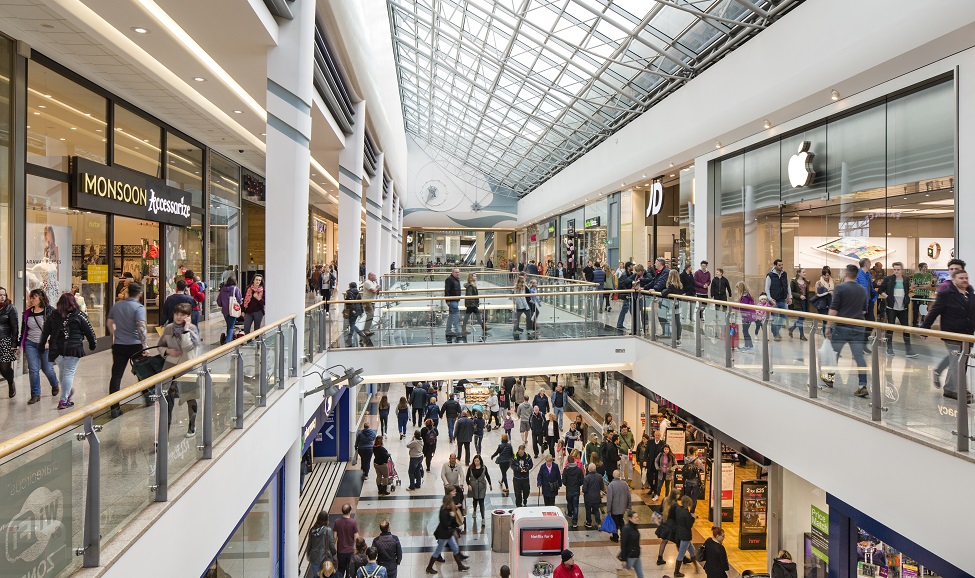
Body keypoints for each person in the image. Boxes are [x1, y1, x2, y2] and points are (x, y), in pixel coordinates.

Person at [922, 268, 975, 402]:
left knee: (960, 362)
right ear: (954, 280)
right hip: (952, 334)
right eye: (961, 278)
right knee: (956, 361)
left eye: (966, 278)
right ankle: (956, 389)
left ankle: (952, 387)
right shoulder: (946, 294)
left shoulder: (971, 294)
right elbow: (934, 311)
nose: (964, 280)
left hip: (967, 334)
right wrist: (925, 328)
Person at [39, 293, 96, 410]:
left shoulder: (52, 315)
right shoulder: (80, 315)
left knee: (63, 371)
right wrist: (92, 344)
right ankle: (63, 400)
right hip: (73, 348)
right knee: (68, 372)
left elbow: (45, 332)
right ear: (73, 303)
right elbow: (89, 331)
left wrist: (41, 345)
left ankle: (67, 393)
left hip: (57, 348)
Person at [157, 303, 203, 434]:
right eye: (176, 314)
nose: (178, 317)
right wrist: (167, 351)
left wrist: (186, 330)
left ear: (188, 316)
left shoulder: (192, 329)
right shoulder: (168, 328)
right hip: (170, 369)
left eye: (182, 314)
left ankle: (192, 426)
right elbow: (160, 345)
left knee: (190, 398)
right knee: (167, 401)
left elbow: (187, 347)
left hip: (187, 368)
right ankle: (164, 433)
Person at [826, 264, 870, 398]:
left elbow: (834, 309)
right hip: (858, 326)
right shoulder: (862, 290)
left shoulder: (840, 288)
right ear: (856, 275)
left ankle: (829, 379)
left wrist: (828, 325)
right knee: (859, 357)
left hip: (841, 327)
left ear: (846, 273)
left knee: (834, 353)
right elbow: (864, 309)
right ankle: (862, 385)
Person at [107, 282, 148, 417]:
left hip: (119, 345)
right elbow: (141, 326)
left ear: (127, 292)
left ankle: (114, 407)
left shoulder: (117, 305)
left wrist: (115, 334)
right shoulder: (139, 308)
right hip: (135, 345)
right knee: (141, 373)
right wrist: (145, 345)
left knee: (116, 376)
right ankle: (148, 398)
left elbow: (109, 322)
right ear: (140, 293)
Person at [20, 289, 59, 405]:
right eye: (31, 298)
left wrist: (50, 342)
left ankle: (55, 383)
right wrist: (19, 343)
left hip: (45, 344)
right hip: (30, 343)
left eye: (34, 297)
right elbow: (24, 330)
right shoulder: (27, 313)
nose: (31, 300)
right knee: (33, 370)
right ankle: (35, 394)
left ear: (41, 298)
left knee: (47, 369)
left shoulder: (50, 311)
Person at [879, 262, 916, 357]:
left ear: (902, 270)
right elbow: (880, 290)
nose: (896, 271)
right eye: (894, 269)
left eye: (898, 269)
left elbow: (907, 291)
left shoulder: (906, 279)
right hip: (891, 307)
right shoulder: (889, 279)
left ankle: (909, 350)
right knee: (891, 327)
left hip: (903, 307)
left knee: (905, 327)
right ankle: (889, 348)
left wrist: (906, 298)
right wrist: (887, 297)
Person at [425, 494, 470, 574]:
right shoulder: (444, 511)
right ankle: (429, 567)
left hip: (448, 534)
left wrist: (457, 525)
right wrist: (452, 516)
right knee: (438, 551)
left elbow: (451, 523)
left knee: (455, 549)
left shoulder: (447, 509)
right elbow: (446, 524)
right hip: (444, 535)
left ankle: (460, 566)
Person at [856, 258, 880, 351]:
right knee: (860, 325)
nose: (871, 265)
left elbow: (870, 289)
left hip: (869, 303)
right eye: (870, 263)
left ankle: (863, 343)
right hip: (860, 305)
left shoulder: (868, 275)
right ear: (867, 264)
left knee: (870, 323)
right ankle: (858, 347)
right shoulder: (858, 275)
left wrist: (873, 299)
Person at [674, 495, 700, 577]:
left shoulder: (678, 509)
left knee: (692, 550)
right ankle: (676, 572)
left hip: (679, 533)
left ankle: (696, 567)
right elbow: (689, 526)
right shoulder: (687, 514)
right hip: (686, 536)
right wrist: (693, 518)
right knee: (681, 554)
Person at [765, 259, 791, 340]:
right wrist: (770, 299)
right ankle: (776, 335)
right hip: (774, 301)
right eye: (779, 265)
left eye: (782, 265)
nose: (781, 266)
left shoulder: (784, 274)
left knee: (784, 316)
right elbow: (767, 289)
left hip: (782, 300)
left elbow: (788, 286)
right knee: (775, 318)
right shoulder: (770, 275)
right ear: (775, 265)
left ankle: (775, 330)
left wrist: (790, 296)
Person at [0, 287, 19, 399]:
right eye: (0, 295)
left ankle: (11, 382)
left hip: (5, 341)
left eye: (4, 295)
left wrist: (14, 344)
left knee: (4, 368)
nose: (2, 297)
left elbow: (15, 327)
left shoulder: (10, 308)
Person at [305, 512, 337, 578]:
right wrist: (334, 554)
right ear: (326, 519)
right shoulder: (328, 530)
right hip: (325, 558)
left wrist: (308, 555)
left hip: (314, 558)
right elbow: (331, 545)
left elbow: (309, 544)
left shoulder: (312, 530)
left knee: (316, 576)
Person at [334, 504, 361, 578]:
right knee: (350, 570)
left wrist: (334, 548)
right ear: (349, 511)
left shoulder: (337, 521)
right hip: (350, 551)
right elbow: (356, 537)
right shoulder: (353, 522)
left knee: (340, 570)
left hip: (340, 551)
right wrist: (357, 549)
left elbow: (335, 537)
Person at [655, 490, 681, 565]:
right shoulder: (675, 505)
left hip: (664, 523)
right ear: (675, 496)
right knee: (677, 541)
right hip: (671, 526)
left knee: (664, 541)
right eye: (678, 494)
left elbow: (660, 510)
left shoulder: (664, 499)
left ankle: (660, 558)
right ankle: (683, 557)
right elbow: (676, 516)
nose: (679, 496)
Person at [466, 454, 492, 527]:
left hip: (482, 486)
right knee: (475, 499)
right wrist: (468, 485)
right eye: (475, 461)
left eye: (477, 461)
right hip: (473, 486)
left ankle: (483, 518)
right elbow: (467, 477)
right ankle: (474, 510)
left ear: (480, 461)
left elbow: (487, 475)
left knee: (481, 501)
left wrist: (490, 484)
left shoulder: (484, 467)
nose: (476, 462)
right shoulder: (471, 468)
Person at [605, 469, 630, 542]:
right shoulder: (624, 484)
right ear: (619, 476)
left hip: (614, 508)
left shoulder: (611, 485)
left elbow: (609, 499)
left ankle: (615, 537)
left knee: (615, 523)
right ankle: (623, 536)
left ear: (613, 476)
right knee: (621, 521)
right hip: (622, 507)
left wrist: (608, 510)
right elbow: (628, 496)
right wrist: (629, 506)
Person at [216, 276, 243, 345]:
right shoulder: (235, 289)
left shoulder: (222, 289)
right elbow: (240, 300)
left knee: (229, 325)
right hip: (233, 310)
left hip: (225, 311)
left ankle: (229, 338)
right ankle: (228, 342)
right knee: (231, 326)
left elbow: (219, 301)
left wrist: (223, 305)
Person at [462, 272, 488, 339]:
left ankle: (464, 328)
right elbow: (470, 296)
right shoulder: (470, 286)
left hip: (471, 304)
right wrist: (474, 304)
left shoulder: (472, 285)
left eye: (476, 276)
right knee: (476, 315)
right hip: (472, 304)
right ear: (471, 277)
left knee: (468, 316)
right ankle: (484, 327)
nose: (476, 277)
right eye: (474, 276)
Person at [562, 450, 583, 528]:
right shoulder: (578, 470)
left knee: (569, 503)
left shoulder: (566, 470)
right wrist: (578, 484)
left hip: (569, 489)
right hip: (576, 489)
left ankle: (570, 514)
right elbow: (582, 480)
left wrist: (567, 484)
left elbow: (563, 480)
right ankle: (575, 522)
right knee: (576, 505)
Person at [620, 509, 644, 578]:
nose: (637, 519)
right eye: (635, 518)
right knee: (626, 575)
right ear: (629, 518)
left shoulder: (634, 527)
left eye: (637, 517)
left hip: (636, 555)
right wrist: (623, 559)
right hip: (629, 556)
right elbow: (623, 544)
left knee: (640, 575)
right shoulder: (626, 529)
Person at [911, 262, 934, 326]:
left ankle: (923, 323)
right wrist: (922, 286)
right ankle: (915, 323)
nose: (926, 268)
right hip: (917, 295)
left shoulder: (929, 275)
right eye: (924, 266)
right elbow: (912, 286)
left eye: (927, 266)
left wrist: (917, 286)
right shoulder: (916, 275)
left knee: (923, 310)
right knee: (915, 310)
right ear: (920, 268)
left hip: (925, 295)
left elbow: (928, 286)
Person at [735, 282, 756, 352]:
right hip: (746, 315)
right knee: (745, 331)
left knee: (745, 331)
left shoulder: (745, 296)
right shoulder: (746, 295)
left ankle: (749, 346)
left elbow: (743, 306)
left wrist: (733, 305)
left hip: (747, 315)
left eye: (738, 289)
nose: (737, 291)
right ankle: (747, 346)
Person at [788, 268, 808, 340]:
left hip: (804, 302)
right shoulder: (794, 282)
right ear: (799, 273)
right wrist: (799, 296)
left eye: (805, 272)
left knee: (802, 318)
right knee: (800, 318)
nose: (805, 273)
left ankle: (791, 328)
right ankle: (802, 335)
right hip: (797, 302)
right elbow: (791, 292)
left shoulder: (806, 282)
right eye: (803, 272)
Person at [581, 463, 603, 529]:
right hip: (597, 497)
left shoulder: (586, 478)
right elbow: (602, 487)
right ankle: (598, 523)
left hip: (588, 498)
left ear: (588, 469)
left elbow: (584, 489)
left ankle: (589, 522)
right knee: (596, 510)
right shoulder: (599, 476)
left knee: (588, 510)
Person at [444, 268, 462, 342]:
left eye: (458, 272)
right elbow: (447, 290)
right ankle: (457, 331)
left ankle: (448, 330)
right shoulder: (449, 279)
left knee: (451, 316)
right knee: (456, 315)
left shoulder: (456, 279)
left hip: (456, 300)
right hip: (452, 301)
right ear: (452, 272)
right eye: (456, 272)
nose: (457, 273)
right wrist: (448, 300)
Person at [616, 262, 635, 330]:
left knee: (625, 309)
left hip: (628, 294)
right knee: (631, 309)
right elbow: (622, 284)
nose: (633, 267)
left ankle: (620, 324)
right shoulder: (624, 275)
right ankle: (635, 325)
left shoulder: (630, 274)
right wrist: (628, 290)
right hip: (627, 294)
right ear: (628, 267)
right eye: (632, 266)